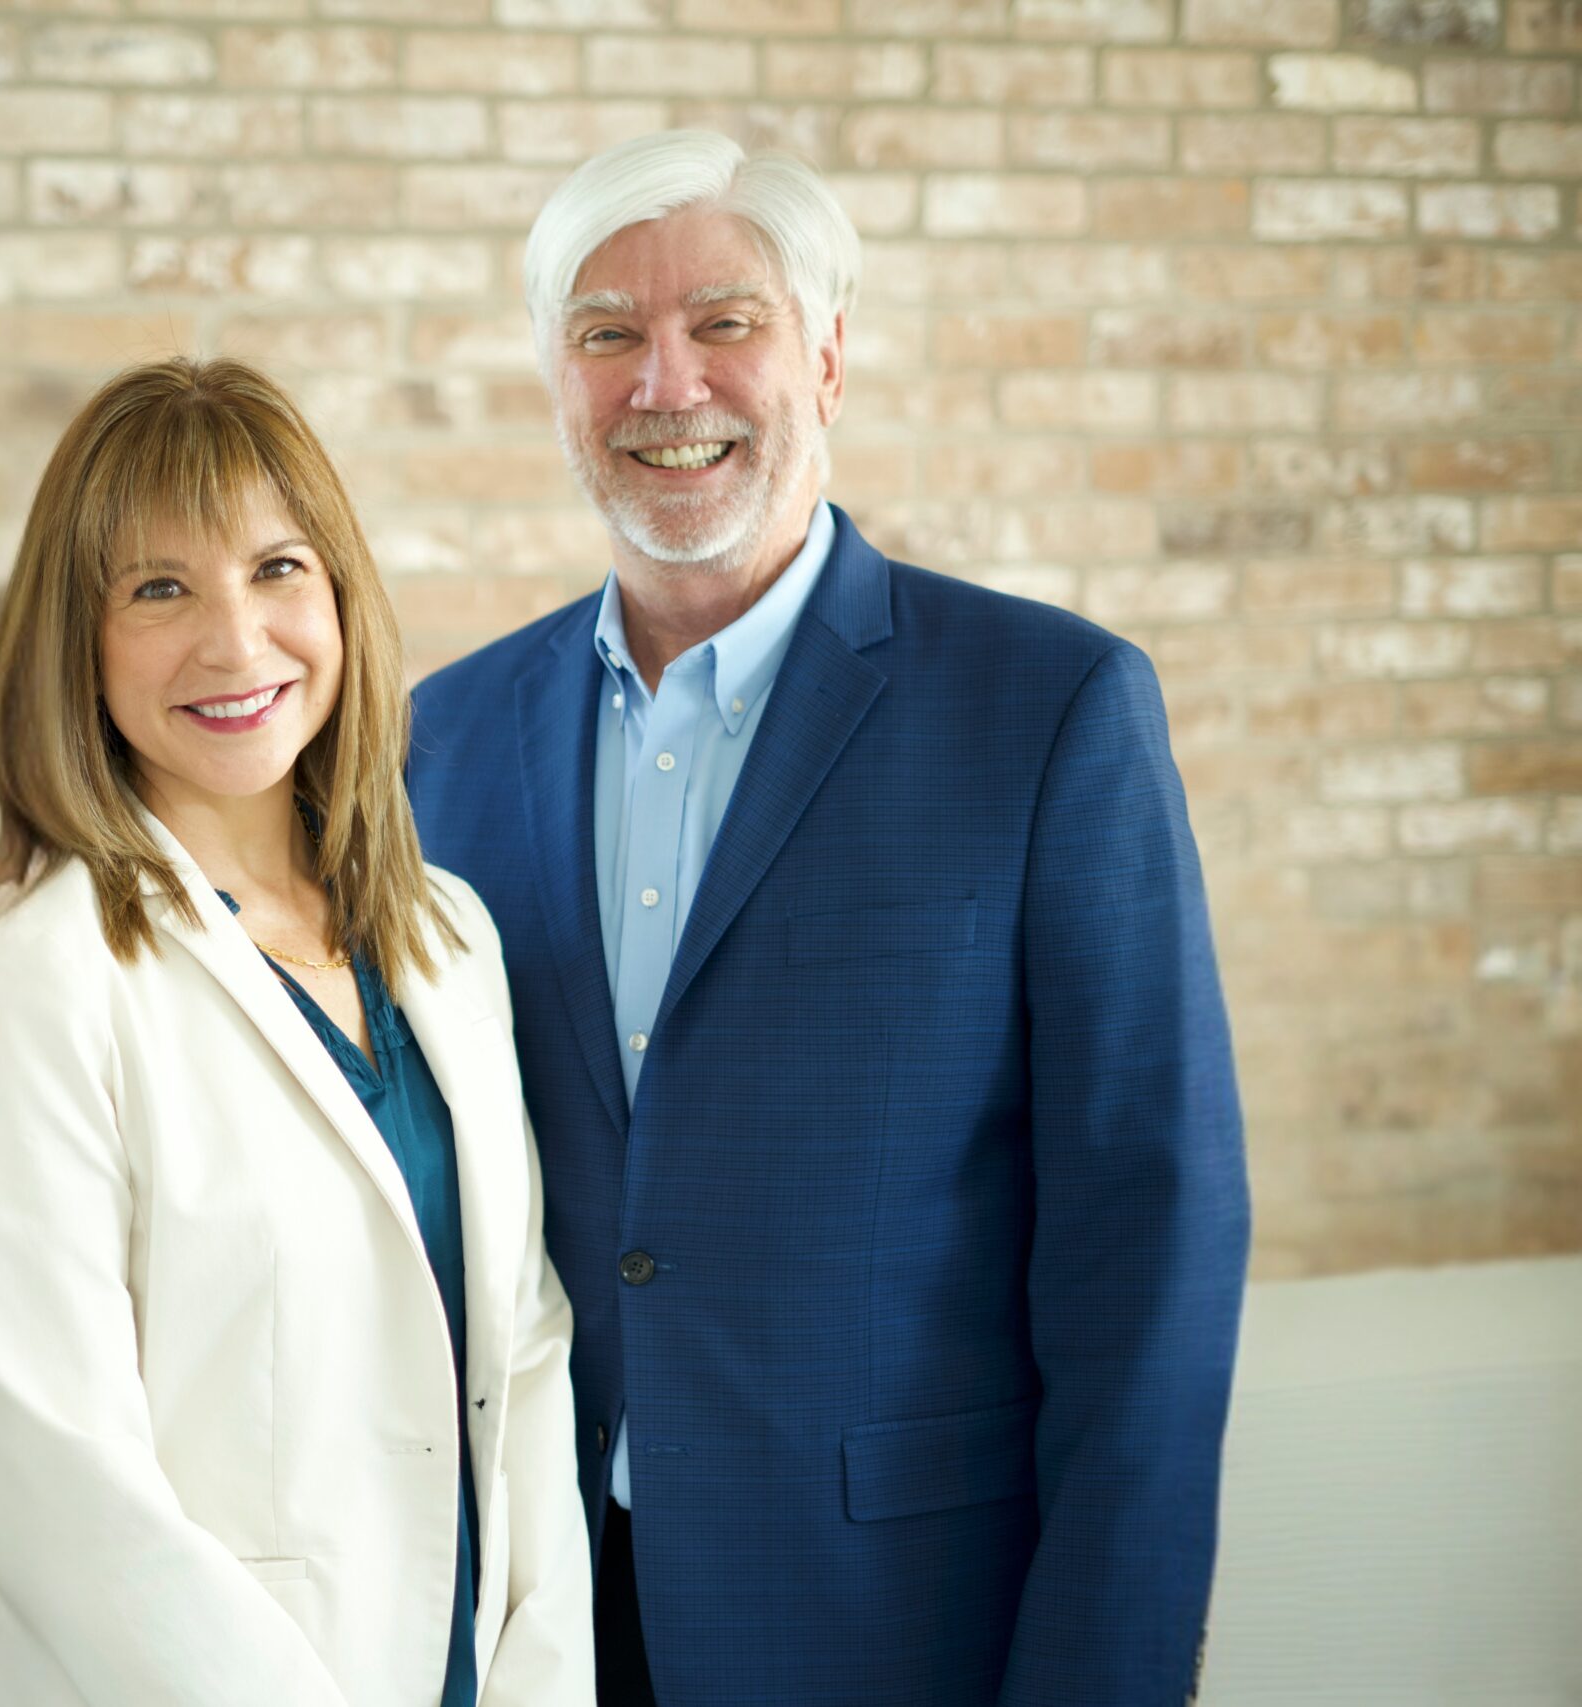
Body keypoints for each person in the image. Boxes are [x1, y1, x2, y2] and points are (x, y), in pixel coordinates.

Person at [407, 130, 1249, 1706]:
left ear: (831, 359)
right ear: (555, 379)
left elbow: (1151, 1250)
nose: (667, 383)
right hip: (545, 1621)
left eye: (726, 321)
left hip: (902, 1622)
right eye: (607, 334)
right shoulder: (437, 739)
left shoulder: (1050, 709)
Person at [0, 356, 596, 1707]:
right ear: (76, 640)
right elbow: (55, 1479)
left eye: (278, 569)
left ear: (339, 594)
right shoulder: (34, 978)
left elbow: (525, 1346)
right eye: (160, 589)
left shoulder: (445, 938)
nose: (235, 642)